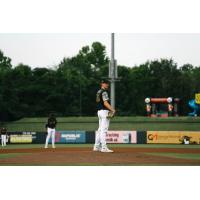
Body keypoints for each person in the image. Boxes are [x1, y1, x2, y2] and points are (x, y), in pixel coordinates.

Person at [93, 79, 116, 153]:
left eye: (107, 83)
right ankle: (104, 147)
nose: (107, 85)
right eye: (105, 83)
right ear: (102, 84)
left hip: (99, 111)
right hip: (104, 112)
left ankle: (96, 146)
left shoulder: (98, 91)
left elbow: (98, 101)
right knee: (104, 130)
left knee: (100, 130)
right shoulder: (104, 92)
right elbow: (105, 103)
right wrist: (112, 110)